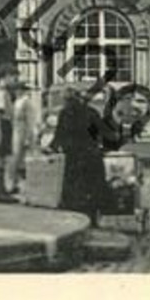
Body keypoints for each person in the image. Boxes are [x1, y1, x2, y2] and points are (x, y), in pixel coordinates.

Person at [48, 79, 120, 226]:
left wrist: (51, 149)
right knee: (93, 190)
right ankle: (93, 221)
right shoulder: (91, 113)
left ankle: (76, 222)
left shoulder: (64, 114)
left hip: (73, 159)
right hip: (91, 156)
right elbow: (107, 135)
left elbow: (58, 138)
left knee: (74, 192)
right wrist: (104, 148)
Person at [0, 65, 20, 202]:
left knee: (2, 158)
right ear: (5, 76)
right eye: (13, 77)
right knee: (0, 159)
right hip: (1, 126)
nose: (14, 80)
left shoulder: (2, 91)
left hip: (3, 125)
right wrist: (0, 134)